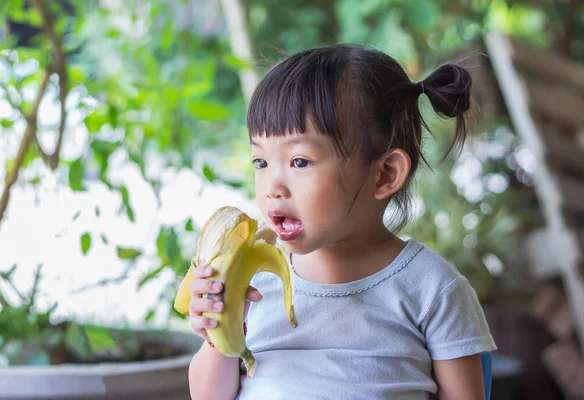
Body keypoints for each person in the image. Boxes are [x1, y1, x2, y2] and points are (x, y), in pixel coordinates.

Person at [186, 44, 497, 400]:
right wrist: (219, 333)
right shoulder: (254, 284)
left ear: (384, 175)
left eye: (299, 161)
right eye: (260, 162)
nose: (272, 186)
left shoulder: (432, 289)